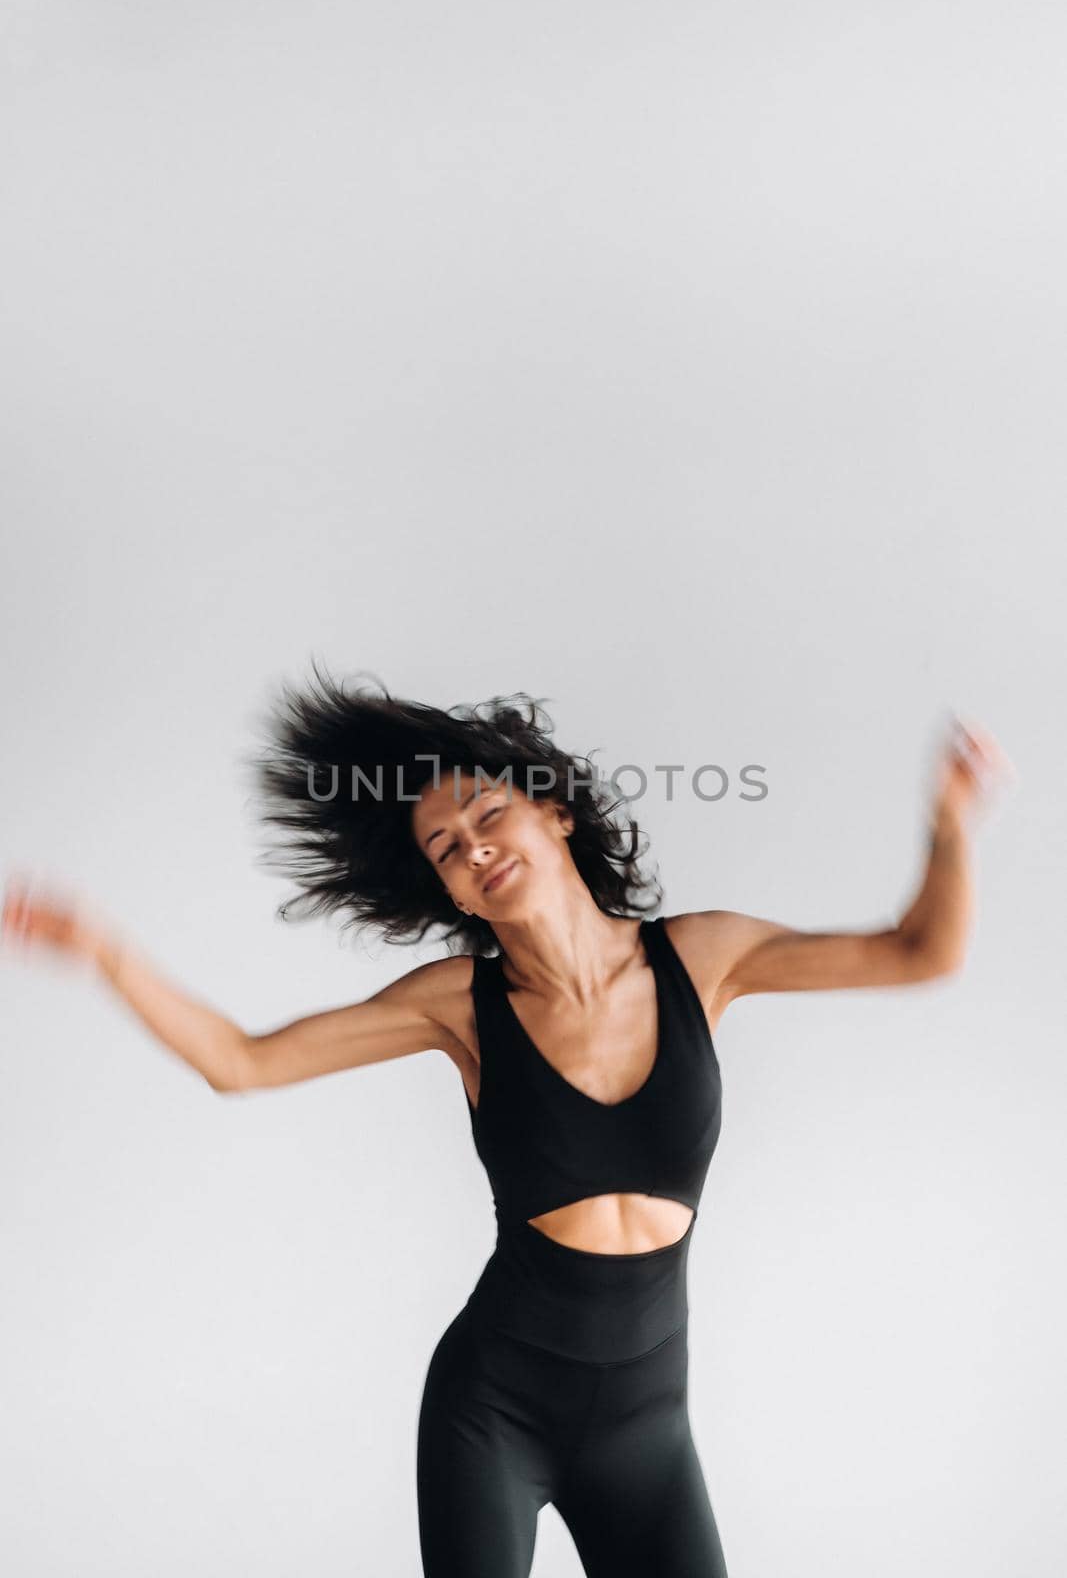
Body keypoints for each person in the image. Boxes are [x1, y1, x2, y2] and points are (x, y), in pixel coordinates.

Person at [1, 669, 1011, 1577]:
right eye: (445, 846)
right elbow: (242, 1062)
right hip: (493, 1410)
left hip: (649, 1426)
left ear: (555, 814)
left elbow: (918, 953)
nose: (473, 845)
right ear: (445, 887)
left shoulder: (701, 958)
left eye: (487, 813)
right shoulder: (457, 1005)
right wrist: (101, 949)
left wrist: (948, 821)